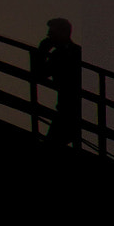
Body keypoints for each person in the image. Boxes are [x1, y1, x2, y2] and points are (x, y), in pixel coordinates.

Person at [33, 17, 84, 147]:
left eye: (52, 33)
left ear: (63, 33)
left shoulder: (67, 53)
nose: (49, 36)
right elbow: (40, 75)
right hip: (68, 110)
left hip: (68, 112)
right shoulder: (67, 52)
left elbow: (39, 74)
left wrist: (41, 52)